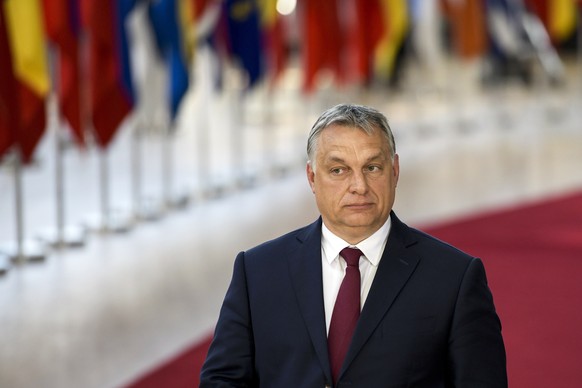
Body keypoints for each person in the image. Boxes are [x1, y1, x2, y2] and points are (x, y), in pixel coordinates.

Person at [200, 104, 507, 387]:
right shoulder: (257, 272)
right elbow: (222, 380)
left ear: (395, 171)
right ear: (312, 177)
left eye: (372, 167)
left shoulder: (454, 278)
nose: (359, 186)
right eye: (339, 170)